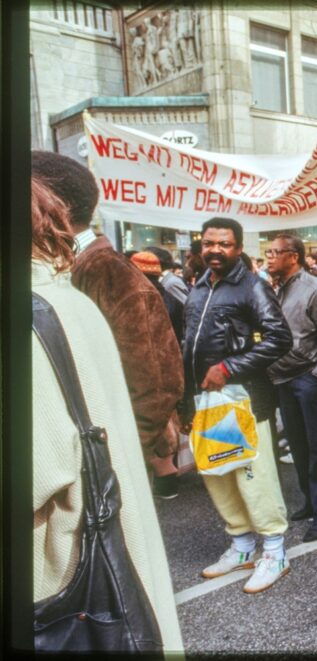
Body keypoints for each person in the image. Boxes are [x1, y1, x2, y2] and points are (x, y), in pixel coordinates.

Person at [31, 178, 183, 652]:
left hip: (86, 517)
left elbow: (155, 373)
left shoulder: (105, 273)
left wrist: (125, 449)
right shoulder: (71, 279)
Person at [32, 150, 185, 501]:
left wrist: (113, 458)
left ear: (50, 204)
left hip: (99, 471)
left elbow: (157, 382)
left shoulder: (106, 271)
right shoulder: (67, 268)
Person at [179, 217, 293, 594]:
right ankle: (243, 547)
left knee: (253, 476)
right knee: (218, 474)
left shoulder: (252, 287)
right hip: (206, 401)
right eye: (209, 242)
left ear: (239, 248)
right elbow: (188, 345)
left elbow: (279, 338)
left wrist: (229, 367)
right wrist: (183, 404)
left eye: (224, 244)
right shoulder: (197, 288)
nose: (215, 250)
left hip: (243, 399)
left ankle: (274, 551)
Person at [265, 233, 317, 542]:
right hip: (284, 379)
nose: (270, 257)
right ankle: (311, 502)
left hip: (307, 379)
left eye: (276, 252)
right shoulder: (279, 288)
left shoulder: (316, 289)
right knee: (299, 446)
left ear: (294, 257)